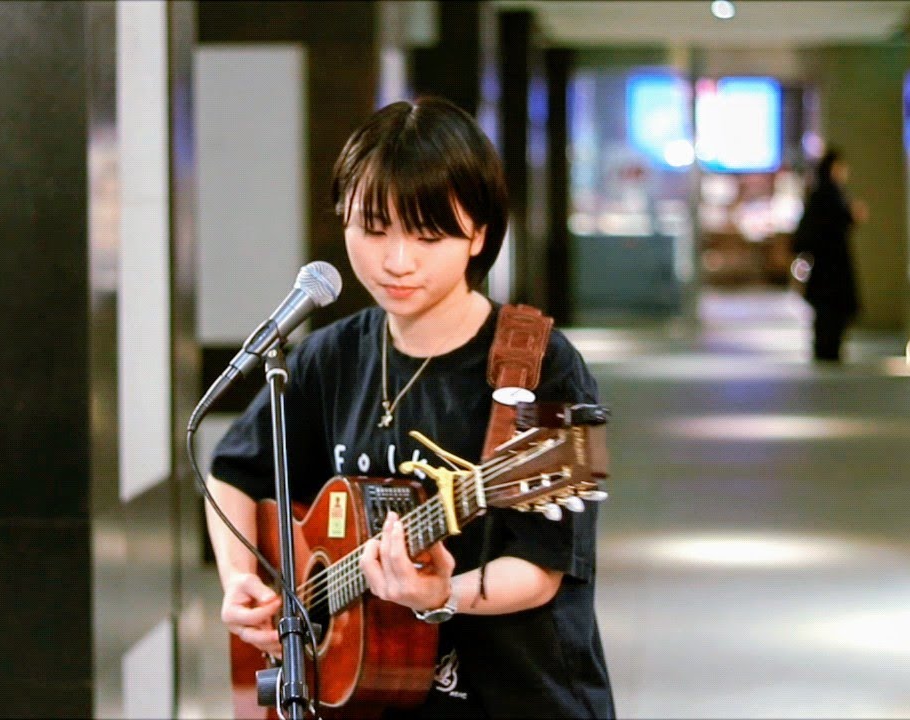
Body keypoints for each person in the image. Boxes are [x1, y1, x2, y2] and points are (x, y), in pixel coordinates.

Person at [205, 96, 614, 718]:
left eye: (428, 235)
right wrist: (243, 581)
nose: (396, 261)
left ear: (479, 233)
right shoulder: (328, 356)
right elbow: (233, 473)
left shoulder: (539, 364)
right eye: (372, 229)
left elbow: (541, 568)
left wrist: (438, 594)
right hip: (357, 700)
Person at [792, 147, 867, 362]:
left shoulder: (822, 194)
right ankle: (828, 351)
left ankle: (826, 349)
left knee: (827, 313)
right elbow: (834, 224)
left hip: (824, 267)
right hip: (831, 267)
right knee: (831, 313)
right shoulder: (829, 195)